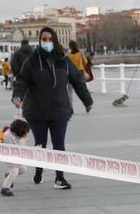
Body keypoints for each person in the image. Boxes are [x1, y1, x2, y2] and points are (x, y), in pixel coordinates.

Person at [12, 27, 94, 190]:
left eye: (50, 39)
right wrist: (17, 95)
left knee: (59, 145)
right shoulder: (32, 60)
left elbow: (77, 80)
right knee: (40, 144)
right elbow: (22, 80)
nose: (47, 42)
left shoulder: (63, 60)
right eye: (44, 39)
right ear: (40, 40)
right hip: (36, 111)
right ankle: (39, 171)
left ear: (55, 40)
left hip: (59, 109)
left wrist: (87, 100)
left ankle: (60, 178)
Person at [0, 118, 31, 196]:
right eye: (26, 133)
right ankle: (5, 188)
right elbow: (18, 147)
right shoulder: (7, 136)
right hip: (9, 156)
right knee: (14, 171)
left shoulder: (15, 134)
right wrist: (23, 140)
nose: (26, 134)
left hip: (16, 156)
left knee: (23, 169)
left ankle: (8, 175)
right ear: (19, 132)